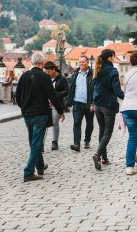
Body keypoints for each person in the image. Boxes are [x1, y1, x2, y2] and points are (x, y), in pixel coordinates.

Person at [16, 52, 65, 182]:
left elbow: (17, 96)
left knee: (33, 141)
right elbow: (52, 96)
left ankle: (40, 166)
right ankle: (28, 172)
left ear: (32, 62)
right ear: (42, 63)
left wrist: (24, 107)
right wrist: (61, 110)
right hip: (40, 113)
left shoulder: (24, 76)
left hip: (27, 114)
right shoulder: (44, 77)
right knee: (37, 143)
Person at [92, 49, 124, 170]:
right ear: (110, 58)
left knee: (102, 131)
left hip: (97, 105)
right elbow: (117, 90)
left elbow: (94, 87)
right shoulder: (112, 71)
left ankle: (104, 159)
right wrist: (127, 97)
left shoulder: (98, 69)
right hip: (108, 105)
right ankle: (97, 154)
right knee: (107, 133)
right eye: (113, 56)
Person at [66, 55, 94, 152]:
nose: (81, 64)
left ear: (87, 63)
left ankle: (87, 140)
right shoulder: (75, 74)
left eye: (83, 62)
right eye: (80, 62)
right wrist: (69, 103)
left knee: (89, 123)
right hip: (77, 103)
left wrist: (93, 103)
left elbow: (95, 90)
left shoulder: (92, 74)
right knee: (76, 123)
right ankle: (76, 144)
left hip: (89, 104)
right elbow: (71, 89)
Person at [44, 61, 69, 151]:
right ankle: (41, 143)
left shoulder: (61, 78)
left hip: (56, 104)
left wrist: (56, 95)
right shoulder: (45, 77)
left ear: (54, 69)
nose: (47, 73)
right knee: (44, 123)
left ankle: (55, 142)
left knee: (55, 122)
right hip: (46, 104)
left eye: (49, 72)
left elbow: (66, 91)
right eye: (46, 72)